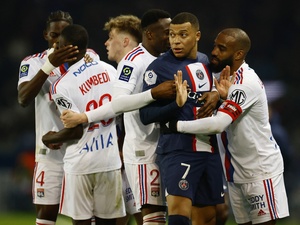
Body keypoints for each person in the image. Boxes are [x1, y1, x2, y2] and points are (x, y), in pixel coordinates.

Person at [60, 9, 174, 225]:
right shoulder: (130, 64)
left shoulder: (165, 58)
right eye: (167, 33)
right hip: (138, 151)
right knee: (146, 214)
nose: (106, 43)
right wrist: (84, 117)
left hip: (165, 145)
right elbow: (117, 105)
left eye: (110, 38)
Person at [173, 28, 290, 225]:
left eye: (222, 48)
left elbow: (219, 124)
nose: (214, 52)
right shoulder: (227, 80)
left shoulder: (247, 82)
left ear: (238, 54)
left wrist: (176, 126)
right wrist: (222, 98)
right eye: (215, 46)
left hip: (259, 170)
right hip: (236, 171)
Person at [139, 12, 224, 225]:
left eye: (182, 35)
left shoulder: (205, 61)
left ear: (197, 36)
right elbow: (145, 115)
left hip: (209, 148)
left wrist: (216, 95)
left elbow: (213, 93)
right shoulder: (158, 68)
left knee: (211, 217)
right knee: (178, 215)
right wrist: (175, 105)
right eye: (172, 35)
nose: (175, 41)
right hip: (178, 148)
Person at [42, 24, 126, 225]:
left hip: (80, 163)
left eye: (60, 46)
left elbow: (75, 131)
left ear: (70, 48)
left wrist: (50, 137)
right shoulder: (109, 70)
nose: (56, 50)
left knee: (81, 222)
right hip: (109, 161)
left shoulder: (61, 85)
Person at [17, 10, 85, 225]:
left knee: (83, 216)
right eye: (55, 35)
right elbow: (23, 98)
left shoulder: (89, 58)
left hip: (83, 148)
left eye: (64, 34)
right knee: (46, 216)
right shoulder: (33, 62)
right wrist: (49, 66)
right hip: (50, 154)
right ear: (46, 35)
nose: (59, 40)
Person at [103, 14, 143, 225]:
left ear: (125, 41)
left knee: (145, 216)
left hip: (138, 155)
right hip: (125, 153)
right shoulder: (122, 69)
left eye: (111, 37)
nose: (106, 42)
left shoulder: (135, 66)